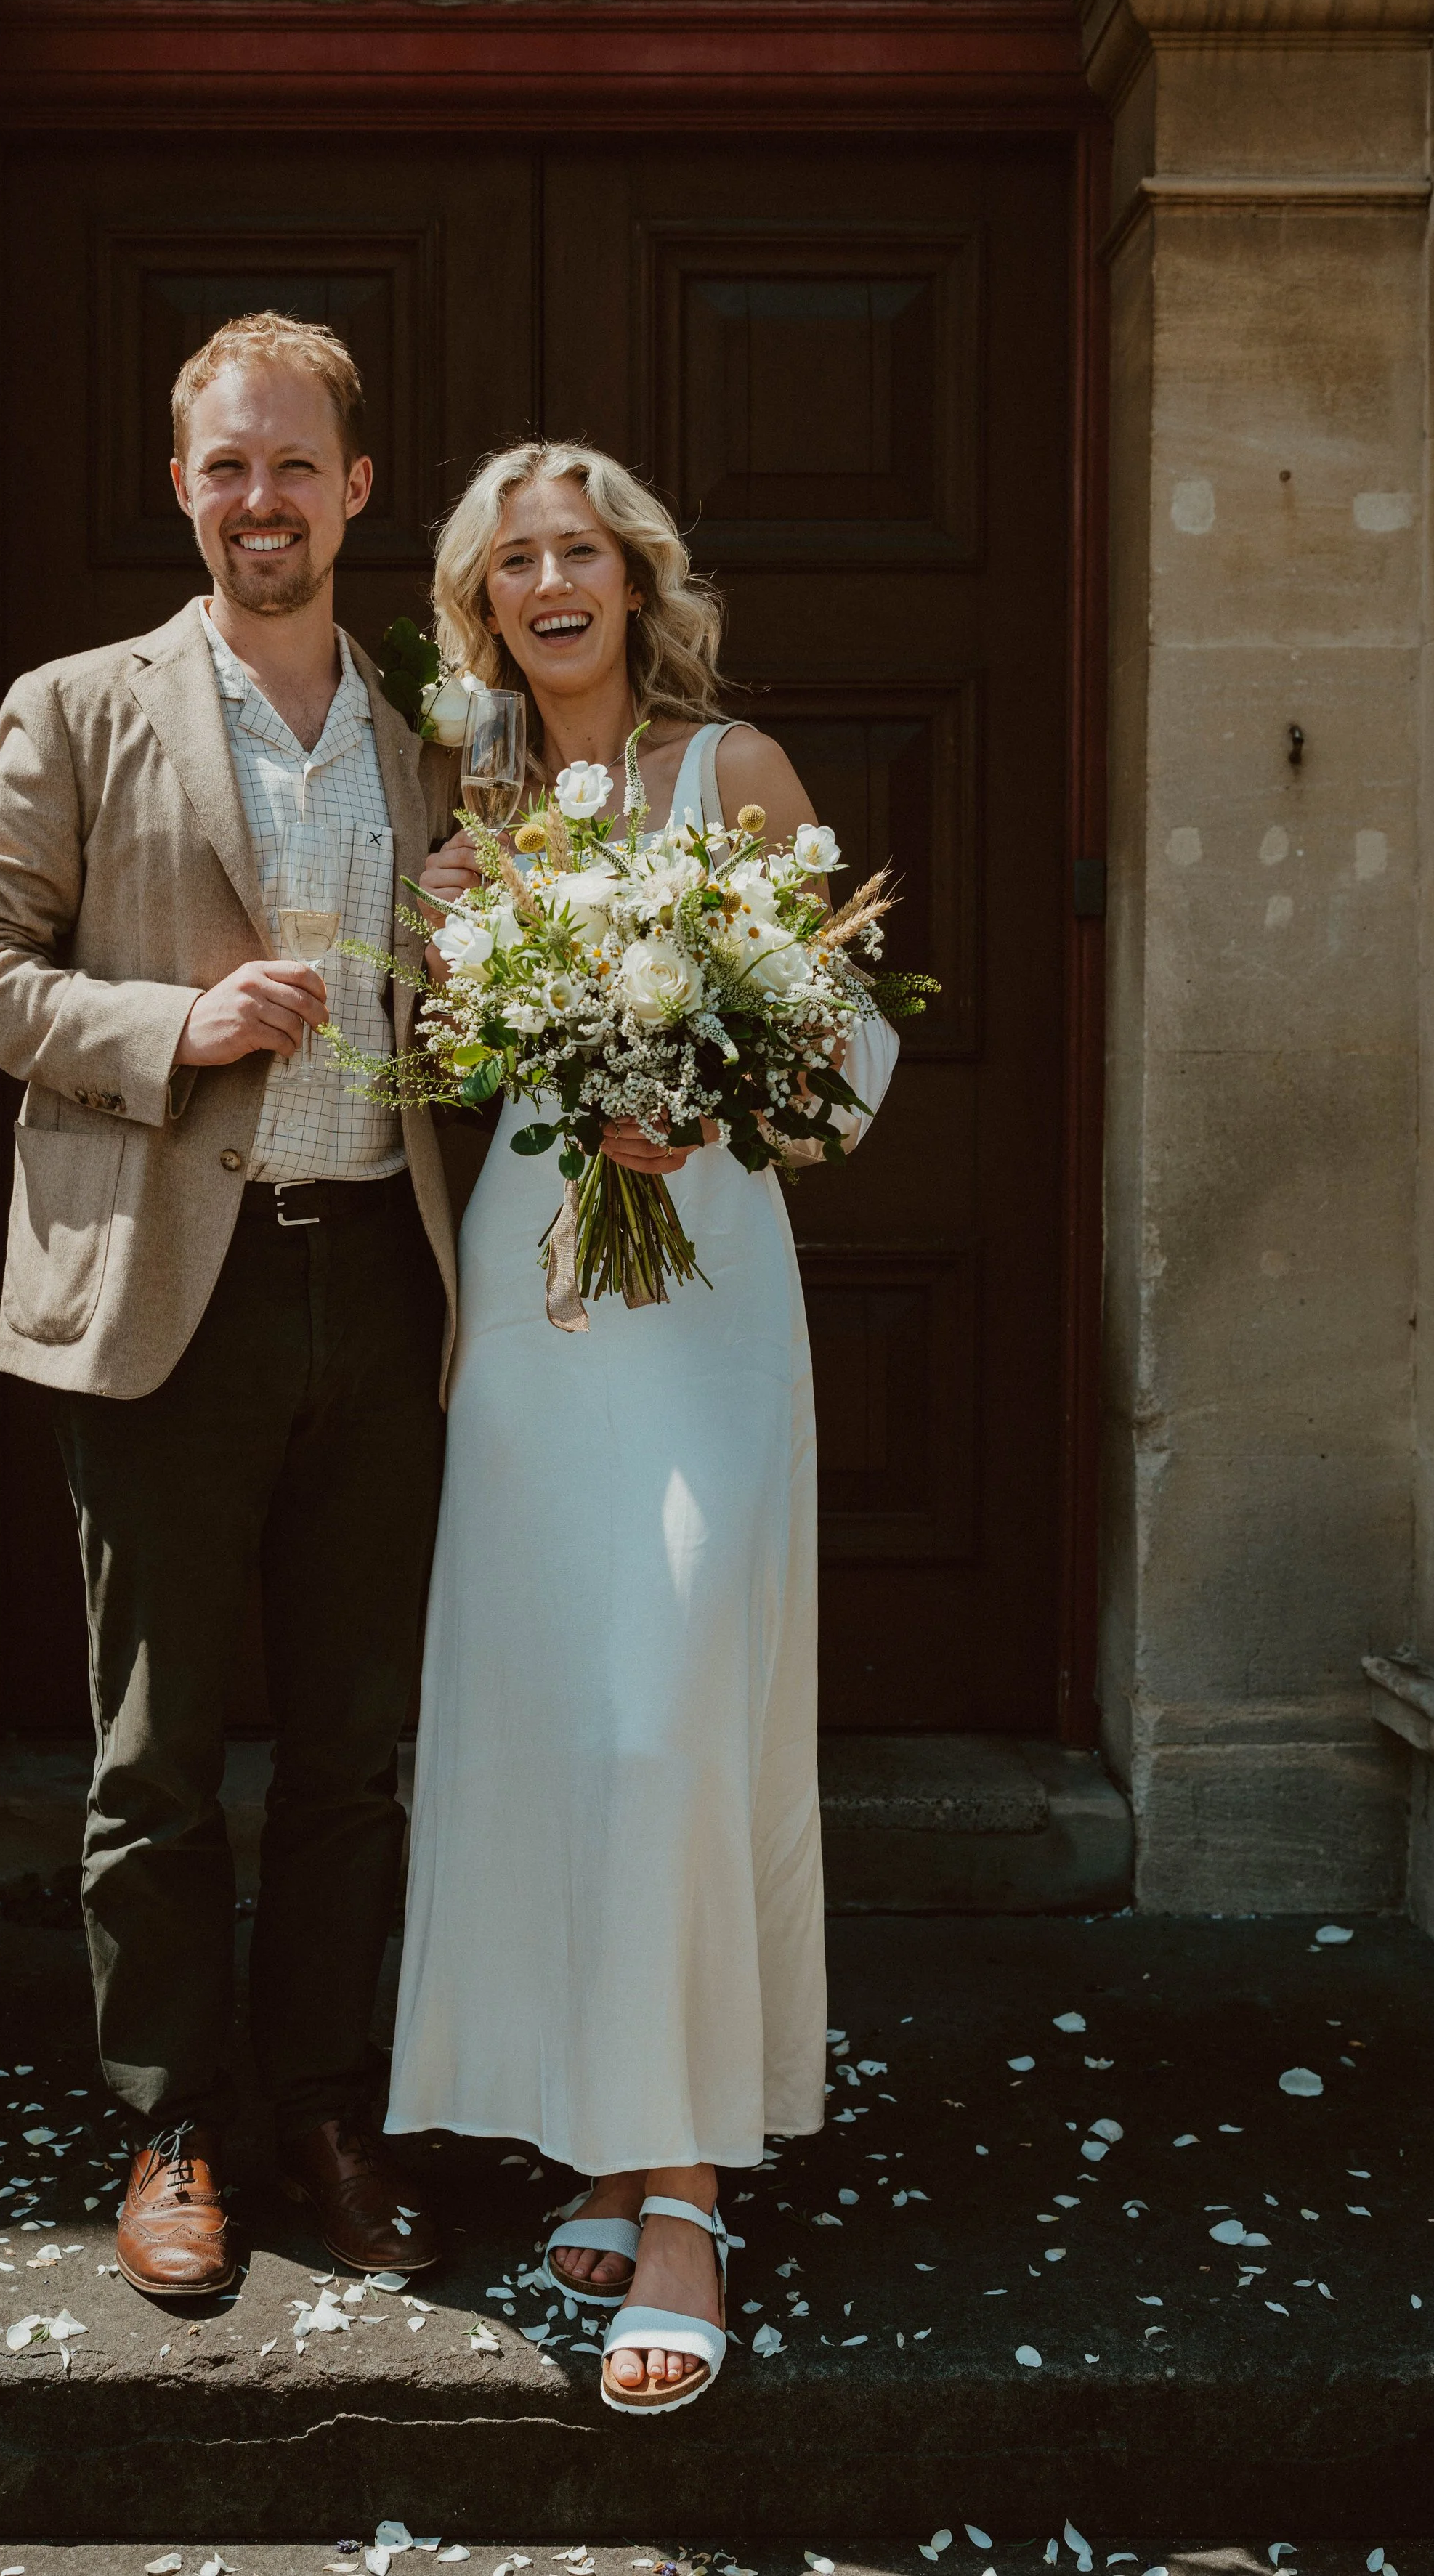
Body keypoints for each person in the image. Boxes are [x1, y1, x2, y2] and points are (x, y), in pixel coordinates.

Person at [0, 313, 471, 2308]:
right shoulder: (76, 707)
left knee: (350, 1753)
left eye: (294, 464)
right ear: (182, 488)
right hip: (168, 1294)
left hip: (376, 1281)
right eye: (225, 466)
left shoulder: (419, 737)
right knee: (153, 1754)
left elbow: (453, 1012)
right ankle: (166, 2124)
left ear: (357, 488)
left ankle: (322, 2108)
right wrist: (173, 1025)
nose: (261, 498)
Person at [386, 441, 899, 2413]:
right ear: (482, 607)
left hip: (698, 1297)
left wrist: (702, 1101)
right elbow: (441, 1076)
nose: (545, 579)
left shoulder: (733, 770)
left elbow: (844, 1061)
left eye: (574, 546)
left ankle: (679, 2194)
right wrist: (450, 954)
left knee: (668, 1700)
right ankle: (607, 2130)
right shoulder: (471, 803)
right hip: (535, 1299)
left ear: (631, 577)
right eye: (511, 559)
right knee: (555, 1715)